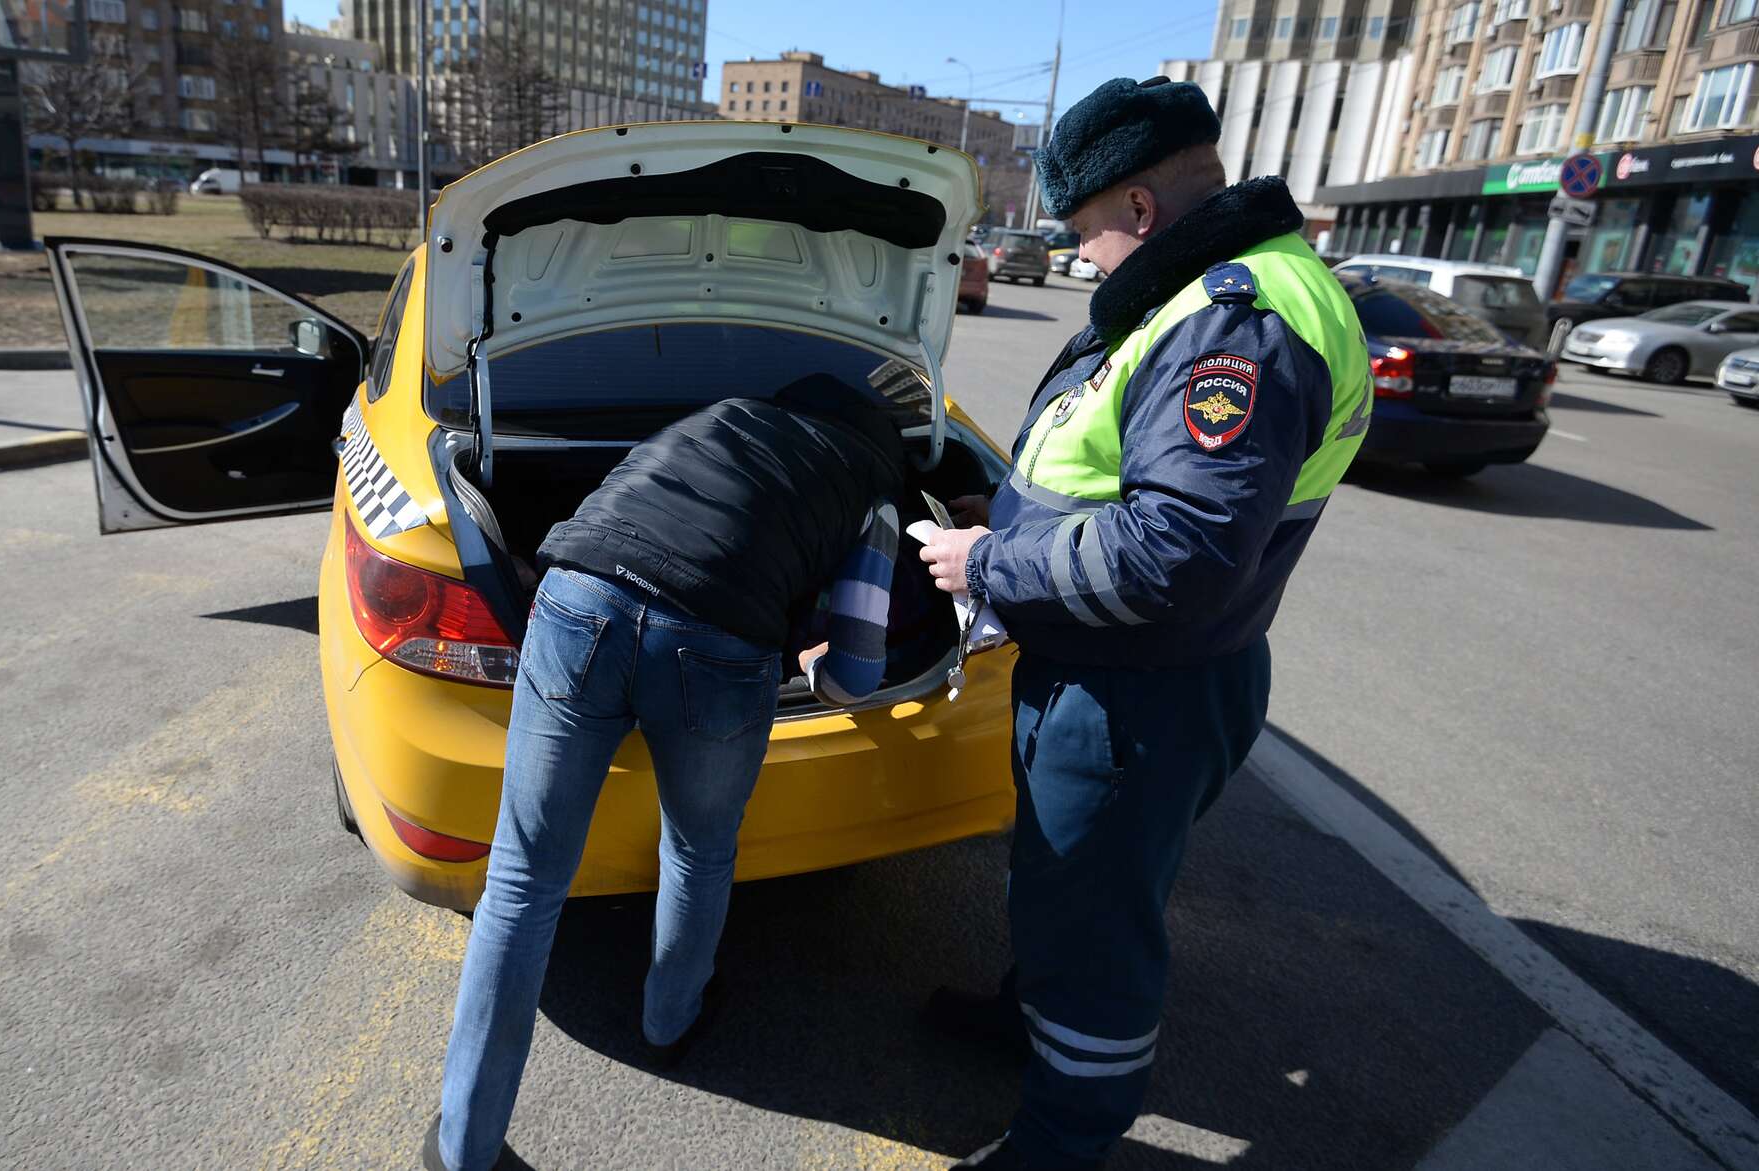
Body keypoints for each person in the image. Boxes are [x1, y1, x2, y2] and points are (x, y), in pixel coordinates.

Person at [916, 76, 1374, 1169]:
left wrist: (989, 559)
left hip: (1133, 692)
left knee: (1097, 930)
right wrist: (1012, 510)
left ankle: (1064, 1136)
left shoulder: (1237, 319)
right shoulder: (1204, 293)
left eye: (1081, 234)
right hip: (1123, 676)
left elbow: (1177, 555)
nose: (1078, 260)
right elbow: (1125, 480)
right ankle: (1029, 1020)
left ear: (1133, 208)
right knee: (1066, 888)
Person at [425, 375, 910, 1171]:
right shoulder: (875, 497)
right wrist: (813, 657)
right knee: (698, 850)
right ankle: (669, 1021)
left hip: (578, 595)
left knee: (521, 882)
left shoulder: (720, 415)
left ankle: (461, 1149)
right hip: (715, 645)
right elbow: (857, 673)